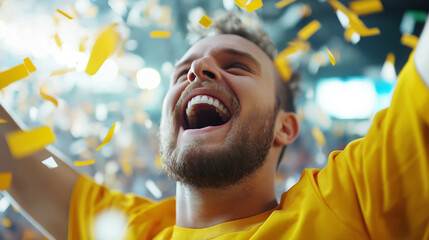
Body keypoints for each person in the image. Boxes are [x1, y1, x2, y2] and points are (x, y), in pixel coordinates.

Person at [1, 11, 429, 240]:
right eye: (182, 69)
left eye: (237, 66)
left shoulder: (347, 204)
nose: (199, 68)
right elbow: (11, 154)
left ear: (286, 127)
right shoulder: (129, 232)